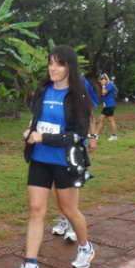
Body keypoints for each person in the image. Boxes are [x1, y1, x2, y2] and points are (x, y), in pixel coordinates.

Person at [9, 45, 95, 268]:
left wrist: (44, 137)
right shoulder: (43, 90)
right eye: (50, 63)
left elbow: (78, 135)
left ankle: (85, 247)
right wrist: (30, 130)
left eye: (58, 64)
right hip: (40, 159)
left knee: (69, 210)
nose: (52, 68)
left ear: (69, 67)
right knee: (36, 210)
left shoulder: (77, 95)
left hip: (65, 161)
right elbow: (37, 118)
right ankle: (30, 266)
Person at [52, 74, 99, 243]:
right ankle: (63, 219)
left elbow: (90, 113)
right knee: (56, 183)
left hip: (75, 143)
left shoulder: (81, 82)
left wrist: (93, 136)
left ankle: (72, 223)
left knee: (71, 182)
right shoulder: (53, 83)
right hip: (55, 141)